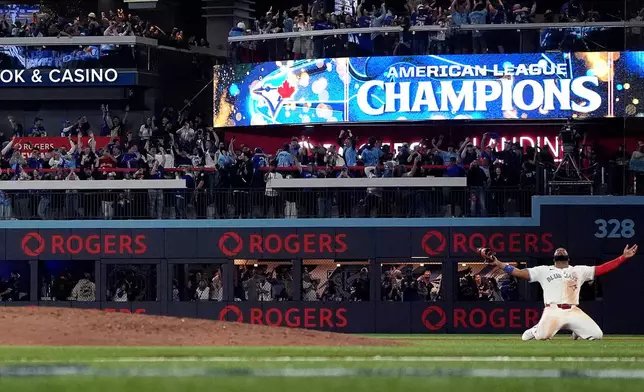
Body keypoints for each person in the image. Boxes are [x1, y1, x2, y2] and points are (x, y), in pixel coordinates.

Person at [486, 245, 638, 341]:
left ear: (567, 257)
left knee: (597, 335)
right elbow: (518, 272)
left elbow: (603, 268)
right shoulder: (544, 270)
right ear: (554, 258)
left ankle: (577, 331)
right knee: (539, 337)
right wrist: (499, 264)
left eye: (562, 250)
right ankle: (536, 329)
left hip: (573, 310)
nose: (560, 250)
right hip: (553, 310)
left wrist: (623, 258)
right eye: (558, 251)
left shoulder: (579, 270)